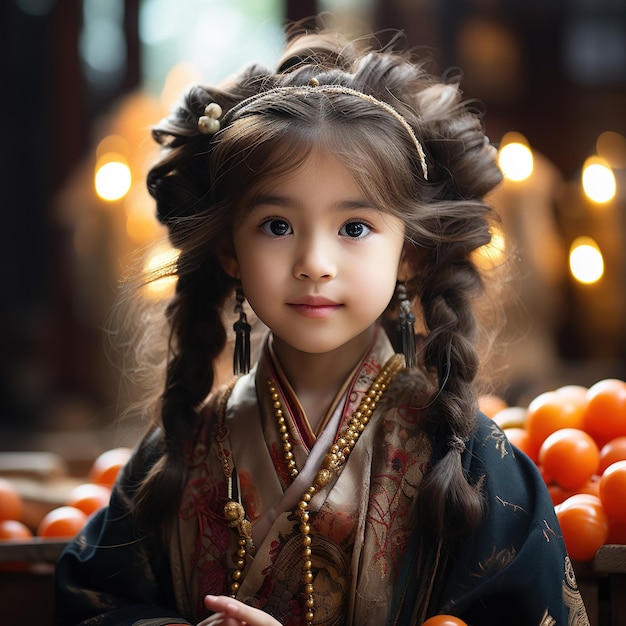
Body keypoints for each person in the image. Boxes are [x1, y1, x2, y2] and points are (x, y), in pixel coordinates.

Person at [54, 21, 590, 626]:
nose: (313, 264)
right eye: (277, 226)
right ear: (230, 250)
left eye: (354, 228)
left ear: (409, 251)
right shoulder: (178, 456)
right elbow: (91, 604)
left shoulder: (467, 461)